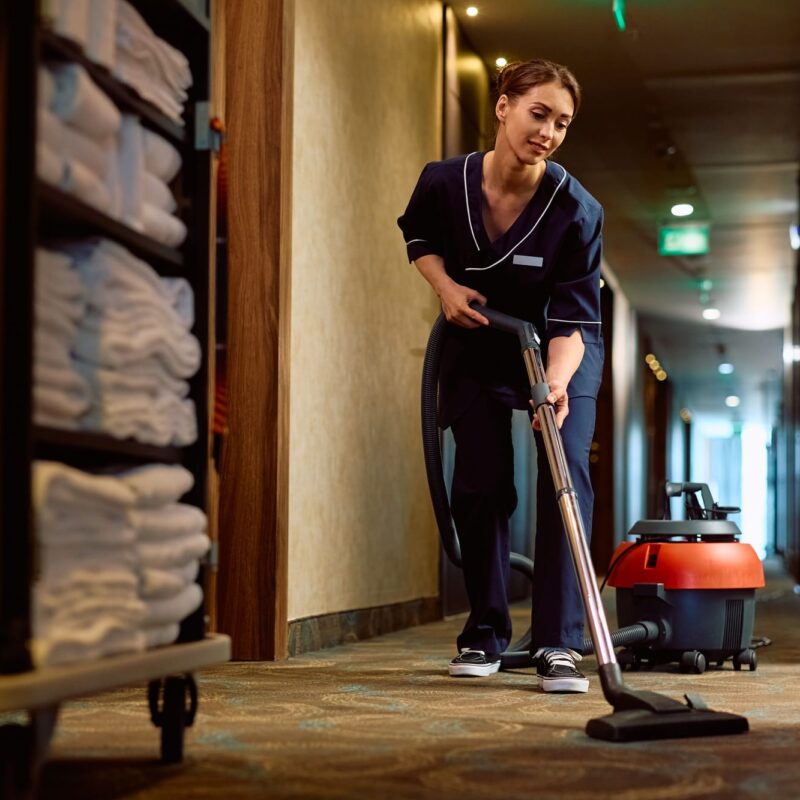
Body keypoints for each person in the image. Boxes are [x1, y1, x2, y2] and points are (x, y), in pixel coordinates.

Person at [397, 59, 603, 693]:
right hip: (479, 340)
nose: (547, 131)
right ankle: (484, 633)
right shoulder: (443, 182)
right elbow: (419, 236)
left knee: (564, 470)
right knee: (480, 479)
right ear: (504, 106)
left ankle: (558, 643)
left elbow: (573, 319)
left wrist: (558, 383)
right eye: (538, 113)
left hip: (558, 349)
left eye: (561, 123)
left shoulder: (576, 209)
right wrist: (444, 288)